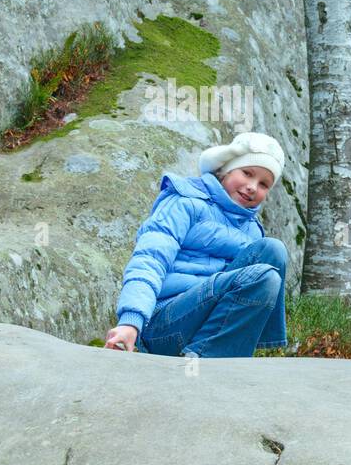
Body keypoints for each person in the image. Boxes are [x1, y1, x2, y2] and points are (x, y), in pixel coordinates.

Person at [104, 131, 290, 359]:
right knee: (264, 273)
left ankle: (206, 356)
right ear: (224, 169)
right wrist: (131, 322)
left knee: (273, 250)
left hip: (204, 326)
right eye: (247, 173)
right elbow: (150, 258)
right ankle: (205, 363)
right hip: (162, 324)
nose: (252, 186)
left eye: (264, 184)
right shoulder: (184, 202)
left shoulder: (252, 229)